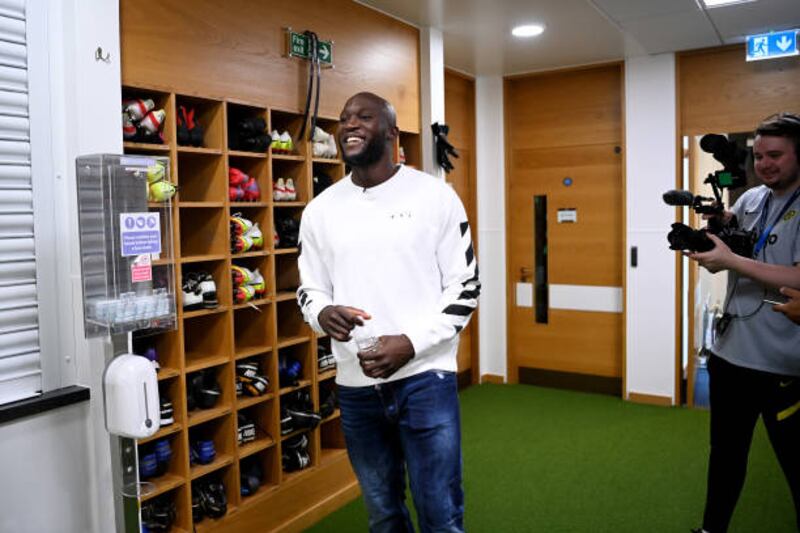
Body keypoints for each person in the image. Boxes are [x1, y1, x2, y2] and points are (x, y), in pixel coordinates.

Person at [296, 92, 479, 532]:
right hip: (356, 385)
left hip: (425, 377)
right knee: (383, 512)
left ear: (393, 132)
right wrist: (322, 314)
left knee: (440, 510)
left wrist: (410, 344)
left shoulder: (435, 197)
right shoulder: (320, 210)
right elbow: (309, 289)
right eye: (344, 119)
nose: (349, 125)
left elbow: (466, 287)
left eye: (364, 117)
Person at [686, 112, 800, 533]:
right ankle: (711, 528)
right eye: (759, 155)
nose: (765, 164)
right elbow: (734, 245)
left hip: (784, 366)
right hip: (731, 357)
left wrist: (732, 260)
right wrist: (717, 232)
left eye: (776, 155)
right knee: (726, 455)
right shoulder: (752, 199)